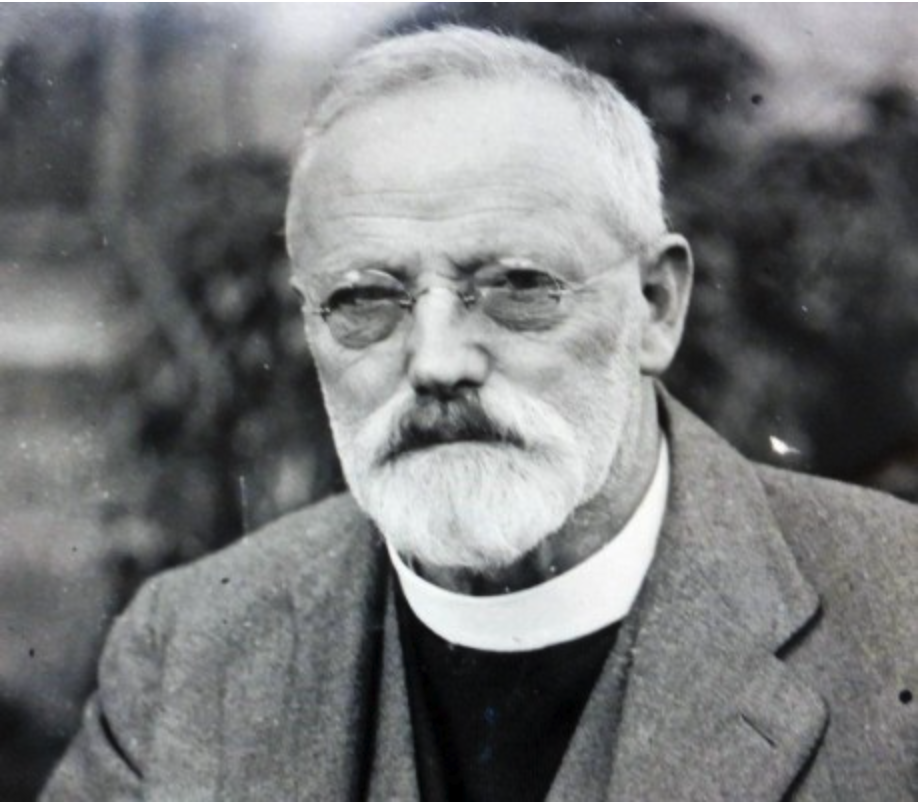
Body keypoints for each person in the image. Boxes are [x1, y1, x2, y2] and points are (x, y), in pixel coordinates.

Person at [42, 27, 916, 802]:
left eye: (518, 286)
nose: (436, 363)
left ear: (655, 306)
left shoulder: (900, 619)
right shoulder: (185, 649)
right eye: (362, 299)